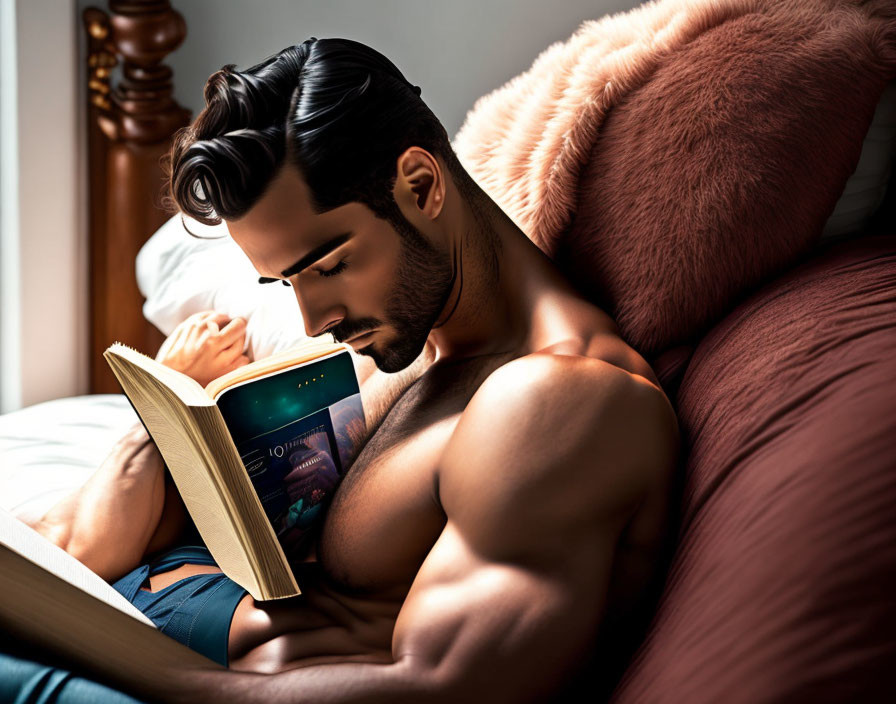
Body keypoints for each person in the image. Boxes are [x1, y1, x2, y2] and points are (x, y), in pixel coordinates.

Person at [29, 37, 680, 702]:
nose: (314, 321)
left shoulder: (564, 401)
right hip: (149, 615)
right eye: (286, 284)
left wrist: (83, 642)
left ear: (421, 186)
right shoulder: (414, 345)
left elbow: (441, 686)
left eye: (330, 265)